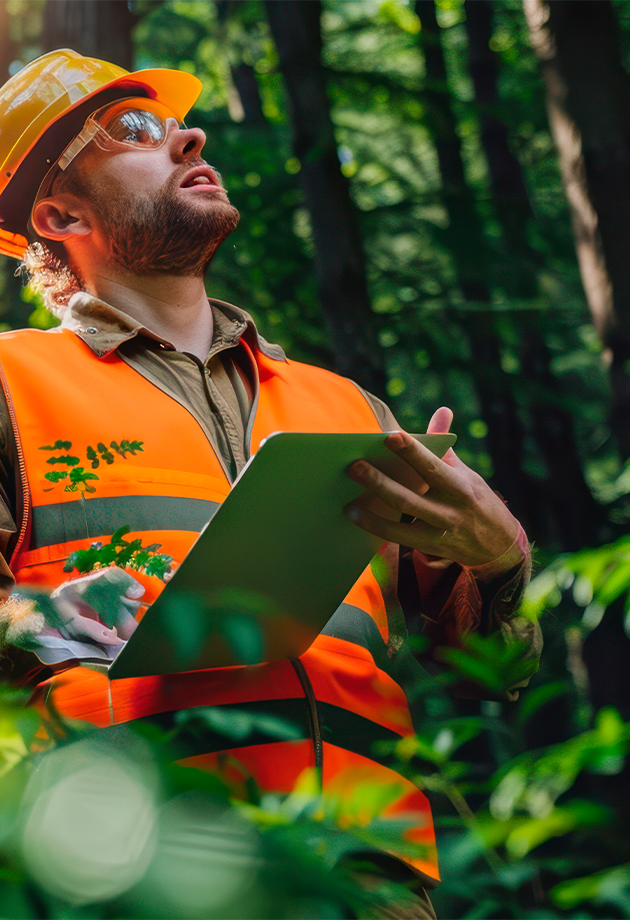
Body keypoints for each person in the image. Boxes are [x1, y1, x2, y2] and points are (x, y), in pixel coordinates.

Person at [0, 50, 540, 918]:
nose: (187, 138)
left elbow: (496, 673)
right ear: (59, 213)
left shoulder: (345, 406)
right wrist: (33, 620)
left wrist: (495, 562)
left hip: (372, 879)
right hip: (136, 868)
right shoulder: (8, 385)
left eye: (177, 123)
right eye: (135, 132)